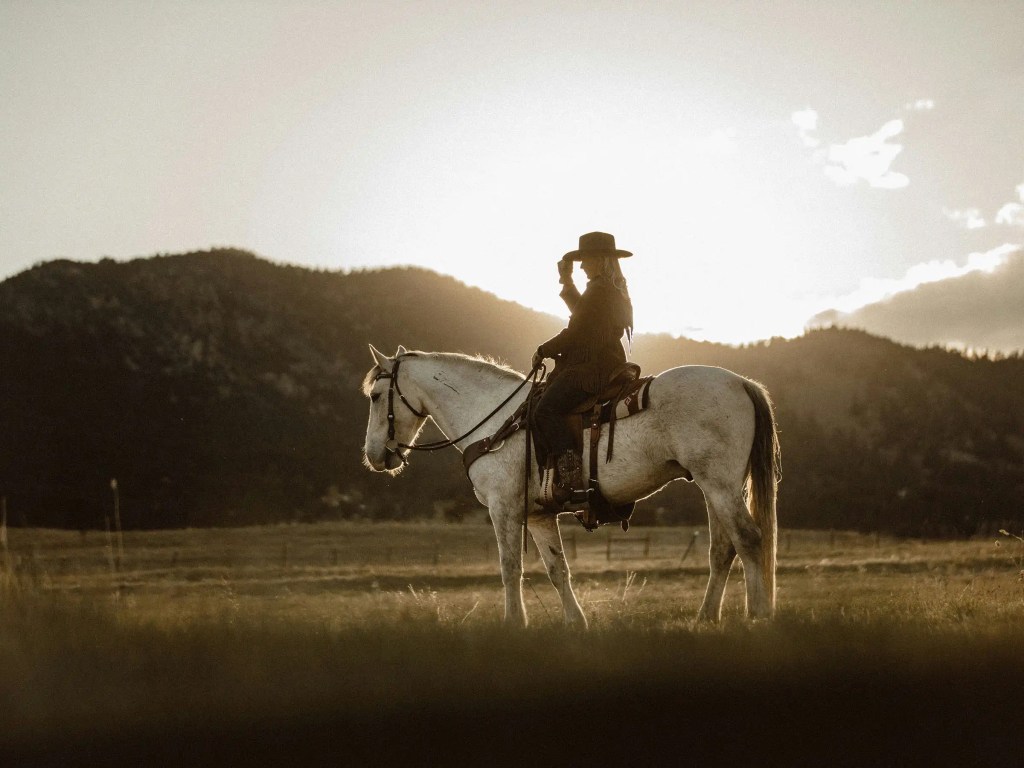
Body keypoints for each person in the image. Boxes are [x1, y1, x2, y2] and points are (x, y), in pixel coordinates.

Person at [531, 231, 634, 509]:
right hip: (607, 361)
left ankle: (570, 474)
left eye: (586, 260)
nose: (583, 265)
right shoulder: (609, 289)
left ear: (600, 260)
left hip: (594, 366)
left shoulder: (599, 289)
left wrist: (544, 350)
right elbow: (584, 314)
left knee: (546, 409)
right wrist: (566, 281)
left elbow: (576, 330)